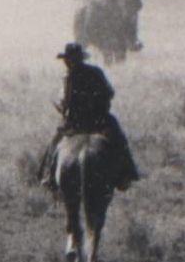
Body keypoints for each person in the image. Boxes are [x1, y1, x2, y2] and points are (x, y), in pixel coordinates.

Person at [40, 41, 140, 189]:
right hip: (100, 121)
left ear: (68, 60)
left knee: (54, 144)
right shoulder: (96, 72)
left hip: (75, 123)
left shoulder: (68, 77)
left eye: (67, 59)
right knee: (119, 140)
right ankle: (127, 174)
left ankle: (48, 175)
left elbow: (65, 103)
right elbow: (110, 93)